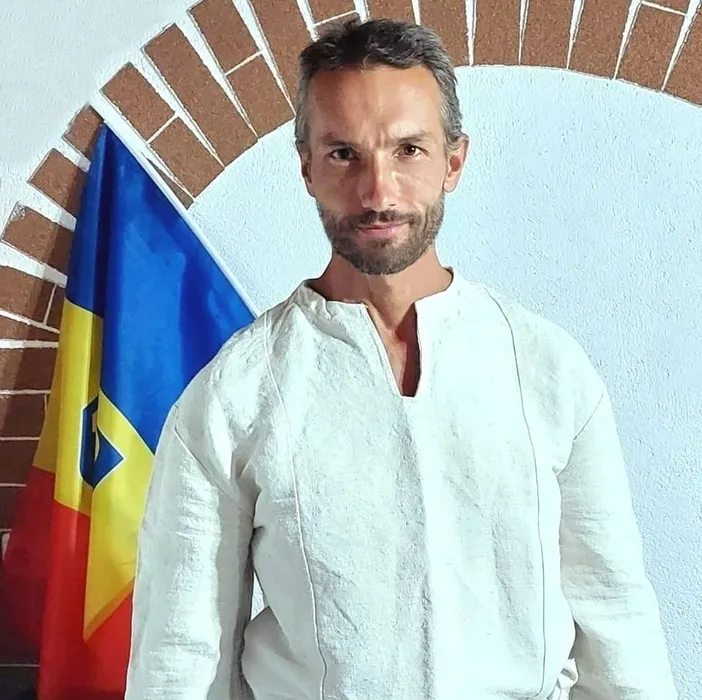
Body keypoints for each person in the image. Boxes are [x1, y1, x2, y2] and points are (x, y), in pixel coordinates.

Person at [124, 17, 678, 700]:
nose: (378, 192)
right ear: (306, 167)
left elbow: (617, 624)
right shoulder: (233, 397)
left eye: (409, 149)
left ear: (453, 161)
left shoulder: (547, 369)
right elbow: (180, 655)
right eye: (344, 154)